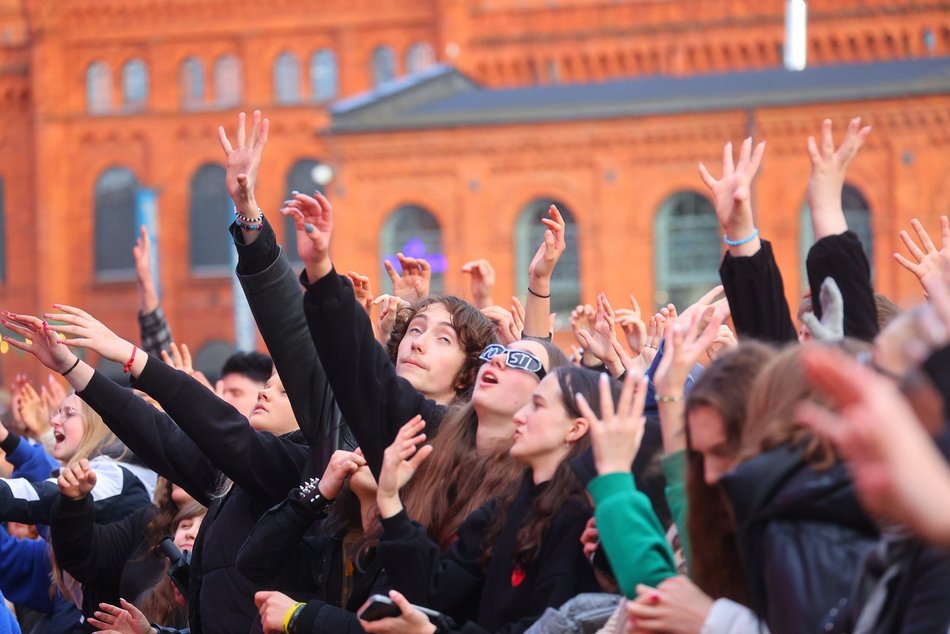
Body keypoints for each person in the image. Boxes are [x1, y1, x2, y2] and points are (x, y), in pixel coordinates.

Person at [1, 308, 307, 634]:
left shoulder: (295, 469)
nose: (265, 391)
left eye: (283, 391)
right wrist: (72, 367)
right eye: (269, 384)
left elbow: (221, 430)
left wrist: (129, 355)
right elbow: (158, 434)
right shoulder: (227, 489)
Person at [367, 367, 631, 633]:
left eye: (537, 406)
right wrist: (390, 501)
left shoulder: (584, 524)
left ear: (575, 429)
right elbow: (435, 590)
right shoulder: (507, 505)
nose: (519, 416)